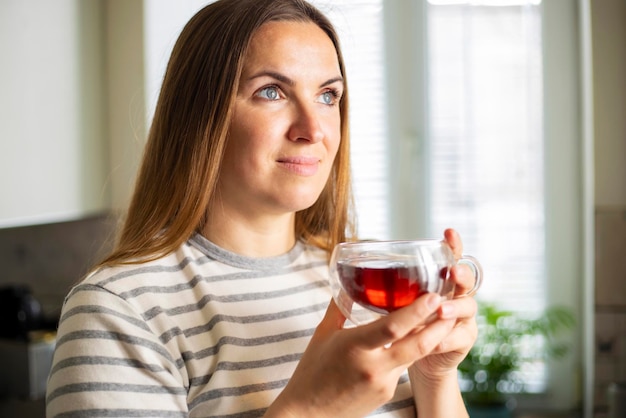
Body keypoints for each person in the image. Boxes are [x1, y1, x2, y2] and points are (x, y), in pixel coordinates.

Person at [45, 0, 479, 416]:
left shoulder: (359, 284)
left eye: (328, 95)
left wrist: (433, 375)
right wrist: (310, 411)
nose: (313, 129)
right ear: (201, 116)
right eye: (271, 91)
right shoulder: (118, 311)